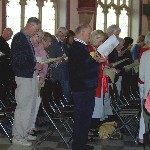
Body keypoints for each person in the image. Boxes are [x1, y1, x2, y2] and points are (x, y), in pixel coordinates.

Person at [68, 24, 100, 150]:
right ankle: (78, 145)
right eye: (89, 33)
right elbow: (82, 68)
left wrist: (95, 60)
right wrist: (96, 61)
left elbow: (84, 64)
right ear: (82, 33)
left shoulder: (81, 47)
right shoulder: (78, 47)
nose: (90, 36)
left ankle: (81, 143)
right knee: (81, 117)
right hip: (82, 88)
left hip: (85, 87)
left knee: (85, 116)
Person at [10, 17, 42, 146]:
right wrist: (34, 64)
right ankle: (18, 136)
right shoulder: (19, 38)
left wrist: (34, 64)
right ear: (30, 25)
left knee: (31, 105)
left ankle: (26, 132)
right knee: (23, 107)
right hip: (23, 76)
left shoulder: (25, 38)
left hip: (29, 75)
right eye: (36, 29)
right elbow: (18, 59)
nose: (36, 32)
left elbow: (27, 57)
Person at [47, 27, 71, 102]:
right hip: (58, 73)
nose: (65, 38)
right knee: (61, 94)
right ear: (59, 33)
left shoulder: (62, 44)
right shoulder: (52, 43)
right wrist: (64, 59)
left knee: (66, 93)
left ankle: (66, 109)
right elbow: (52, 59)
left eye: (66, 36)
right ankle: (63, 111)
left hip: (64, 72)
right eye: (64, 35)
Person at [139, 50, 150, 150]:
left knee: (146, 118)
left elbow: (141, 76)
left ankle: (144, 139)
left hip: (149, 92)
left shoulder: (146, 54)